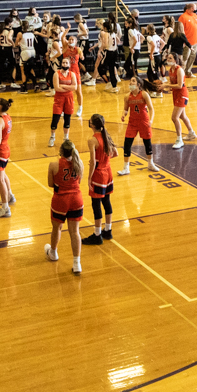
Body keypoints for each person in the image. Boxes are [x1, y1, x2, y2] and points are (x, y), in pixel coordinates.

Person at [47, 139, 85, 274]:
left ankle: (53, 253)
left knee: (57, 228)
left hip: (61, 200)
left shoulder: (54, 165)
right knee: (75, 232)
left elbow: (50, 184)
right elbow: (79, 181)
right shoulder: (79, 163)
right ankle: (77, 263)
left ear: (61, 151)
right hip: (76, 199)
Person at [87, 112, 117, 242]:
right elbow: (115, 153)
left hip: (99, 174)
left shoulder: (92, 140)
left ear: (92, 125)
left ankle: (97, 234)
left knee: (96, 204)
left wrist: (89, 177)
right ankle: (108, 230)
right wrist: (105, 160)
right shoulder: (107, 136)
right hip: (108, 172)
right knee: (107, 201)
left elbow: (93, 162)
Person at [122, 74, 156, 171]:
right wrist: (123, 115)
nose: (130, 83)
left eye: (133, 81)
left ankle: (150, 164)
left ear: (138, 85)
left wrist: (151, 120)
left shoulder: (144, 94)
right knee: (127, 144)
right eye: (130, 81)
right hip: (132, 122)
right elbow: (125, 109)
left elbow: (151, 109)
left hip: (143, 121)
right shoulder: (127, 96)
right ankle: (126, 168)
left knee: (147, 143)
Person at [48, 56, 80, 146]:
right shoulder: (56, 74)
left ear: (69, 65)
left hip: (69, 98)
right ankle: (52, 137)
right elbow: (57, 88)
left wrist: (63, 86)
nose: (64, 64)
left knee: (67, 118)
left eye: (66, 63)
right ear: (61, 64)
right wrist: (69, 87)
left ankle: (66, 137)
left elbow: (75, 87)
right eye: (63, 62)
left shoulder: (72, 74)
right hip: (59, 98)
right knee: (55, 119)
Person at [167, 53, 196, 148]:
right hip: (176, 94)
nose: (168, 60)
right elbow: (172, 84)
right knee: (182, 116)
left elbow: (179, 85)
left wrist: (166, 85)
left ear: (175, 60)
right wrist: (165, 87)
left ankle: (179, 140)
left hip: (182, 95)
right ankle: (191, 133)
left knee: (174, 117)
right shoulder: (170, 70)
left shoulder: (179, 70)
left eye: (170, 58)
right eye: (168, 58)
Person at [178, 3, 197, 74]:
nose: (195, 10)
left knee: (192, 57)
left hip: (195, 40)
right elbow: (180, 30)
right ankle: (181, 73)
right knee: (185, 58)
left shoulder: (195, 15)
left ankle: (188, 72)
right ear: (191, 8)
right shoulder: (183, 17)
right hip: (187, 42)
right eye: (195, 8)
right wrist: (183, 41)